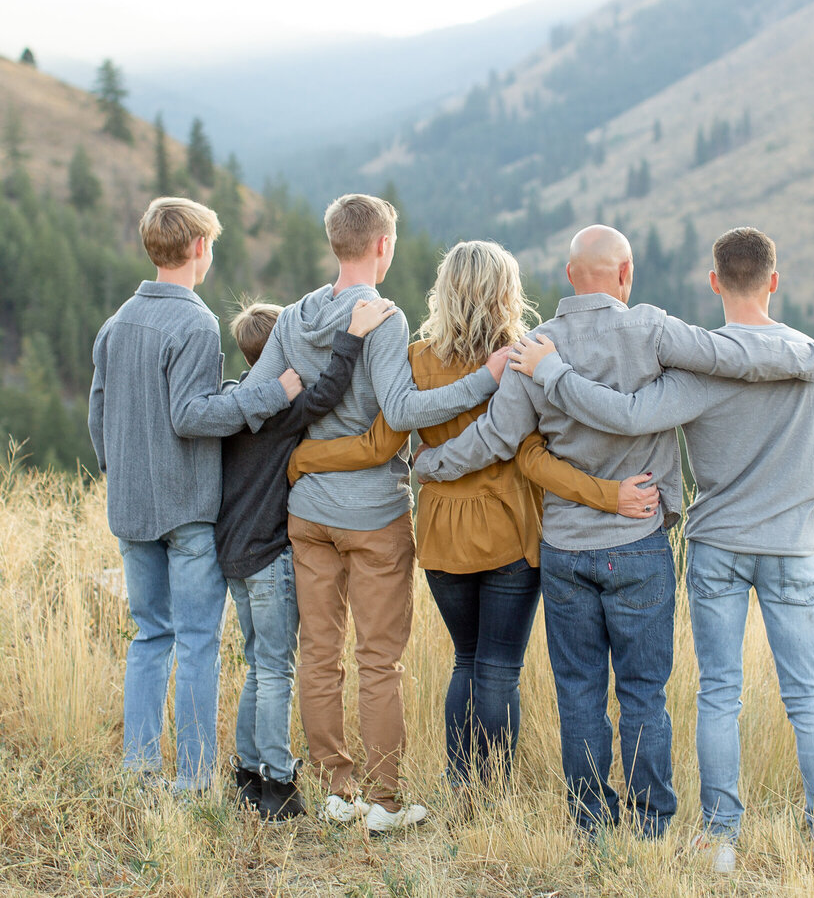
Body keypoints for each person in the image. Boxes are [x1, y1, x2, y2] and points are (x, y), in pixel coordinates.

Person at [413, 224, 814, 838]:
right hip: (639, 542)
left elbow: (494, 439)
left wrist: (428, 464)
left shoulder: (536, 347)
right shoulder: (654, 330)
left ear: (569, 277)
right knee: (645, 693)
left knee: (579, 693)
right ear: (626, 274)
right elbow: (742, 354)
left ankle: (590, 824)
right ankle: (650, 826)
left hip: (564, 548)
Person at [286, 240, 661, 798]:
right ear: (505, 294)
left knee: (466, 660)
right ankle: (492, 792)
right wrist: (608, 495)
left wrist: (301, 458)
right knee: (499, 669)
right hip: (508, 530)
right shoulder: (524, 357)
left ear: (446, 292)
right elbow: (534, 456)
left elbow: (380, 444)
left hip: (440, 535)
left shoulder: (418, 357)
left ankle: (461, 781)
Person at [242, 194, 506, 833]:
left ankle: (337, 789)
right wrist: (485, 380)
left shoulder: (296, 317)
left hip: (306, 513)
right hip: (373, 514)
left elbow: (262, 401)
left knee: (319, 654)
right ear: (383, 246)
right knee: (379, 660)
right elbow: (404, 410)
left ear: (335, 243)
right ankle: (384, 802)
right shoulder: (383, 317)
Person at [87, 196, 303, 793]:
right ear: (200, 248)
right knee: (199, 640)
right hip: (185, 507)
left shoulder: (115, 324)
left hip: (130, 508)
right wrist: (269, 394)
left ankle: (139, 769)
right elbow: (191, 416)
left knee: (149, 635)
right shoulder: (195, 323)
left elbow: (97, 415)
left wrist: (120, 469)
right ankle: (192, 779)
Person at [217, 294, 397, 821]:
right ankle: (277, 779)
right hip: (270, 554)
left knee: (258, 665)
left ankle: (246, 770)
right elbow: (326, 394)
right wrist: (354, 336)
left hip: (233, 555)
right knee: (276, 669)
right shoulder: (277, 411)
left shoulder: (233, 403)